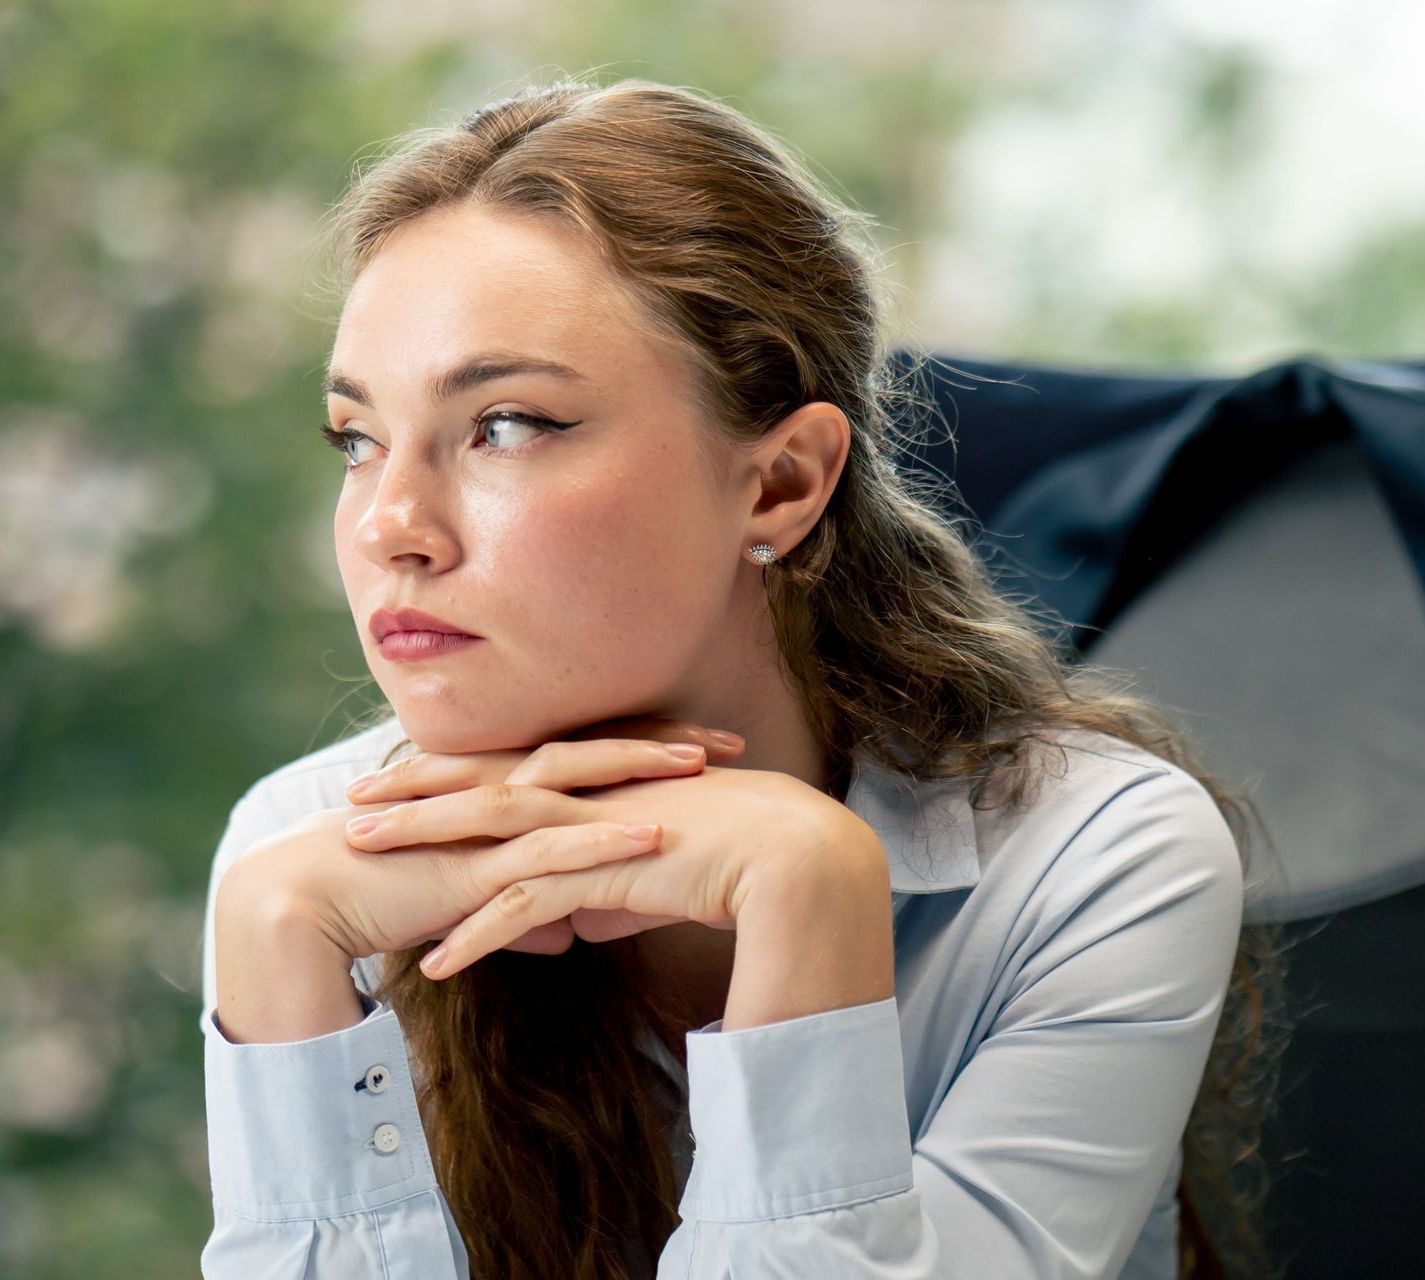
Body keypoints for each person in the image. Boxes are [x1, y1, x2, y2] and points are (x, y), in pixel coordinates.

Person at [197, 76, 1287, 1279]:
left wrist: (807, 894)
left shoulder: (1097, 860)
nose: (390, 524)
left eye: (505, 423)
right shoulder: (303, 860)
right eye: (358, 438)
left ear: (779, 485)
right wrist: (269, 937)